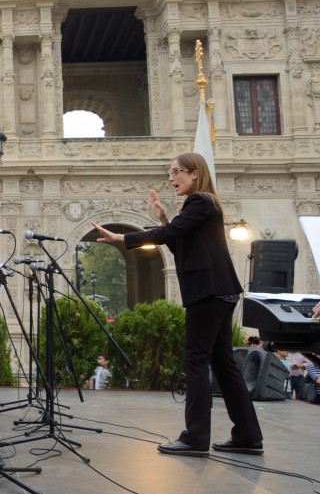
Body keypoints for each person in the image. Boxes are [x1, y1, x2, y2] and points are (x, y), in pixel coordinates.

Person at [92, 152, 263, 457]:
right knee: (223, 364)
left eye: (176, 172)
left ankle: (196, 437)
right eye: (170, 173)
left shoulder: (200, 202)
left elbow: (168, 235)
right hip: (220, 291)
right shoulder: (204, 204)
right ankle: (248, 435)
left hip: (207, 292)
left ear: (195, 173)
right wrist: (163, 219)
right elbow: (178, 241)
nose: (171, 179)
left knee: (196, 360)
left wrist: (122, 237)